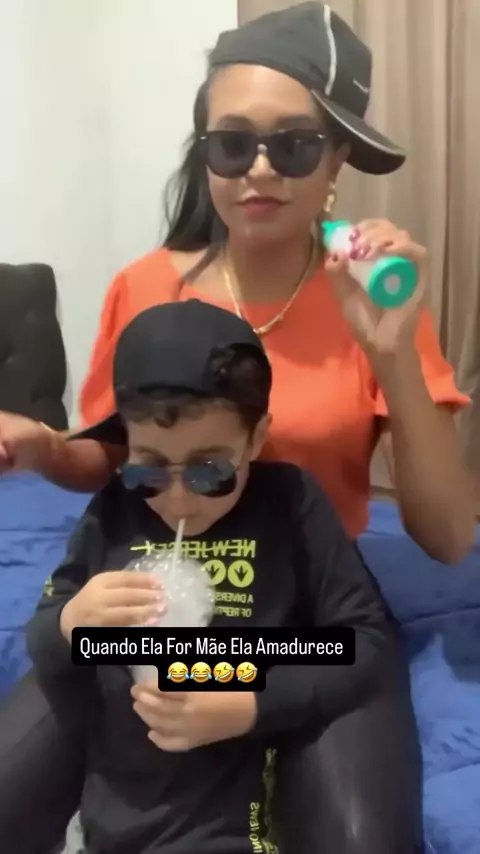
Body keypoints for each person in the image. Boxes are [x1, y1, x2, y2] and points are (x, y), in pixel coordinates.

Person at [1, 1, 473, 849]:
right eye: (231, 143)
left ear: (337, 158)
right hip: (158, 598)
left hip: (302, 610)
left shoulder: (371, 297)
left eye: (293, 145)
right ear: (205, 153)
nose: (259, 169)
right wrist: (46, 448)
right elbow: (115, 462)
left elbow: (446, 537)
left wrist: (394, 352)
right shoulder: (145, 287)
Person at [27, 299, 397, 854]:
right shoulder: (116, 510)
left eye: (210, 471)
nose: (178, 499)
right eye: (150, 468)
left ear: (256, 438)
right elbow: (45, 634)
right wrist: (71, 623)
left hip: (235, 810)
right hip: (117, 808)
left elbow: (363, 642)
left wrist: (250, 700)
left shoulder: (289, 504)